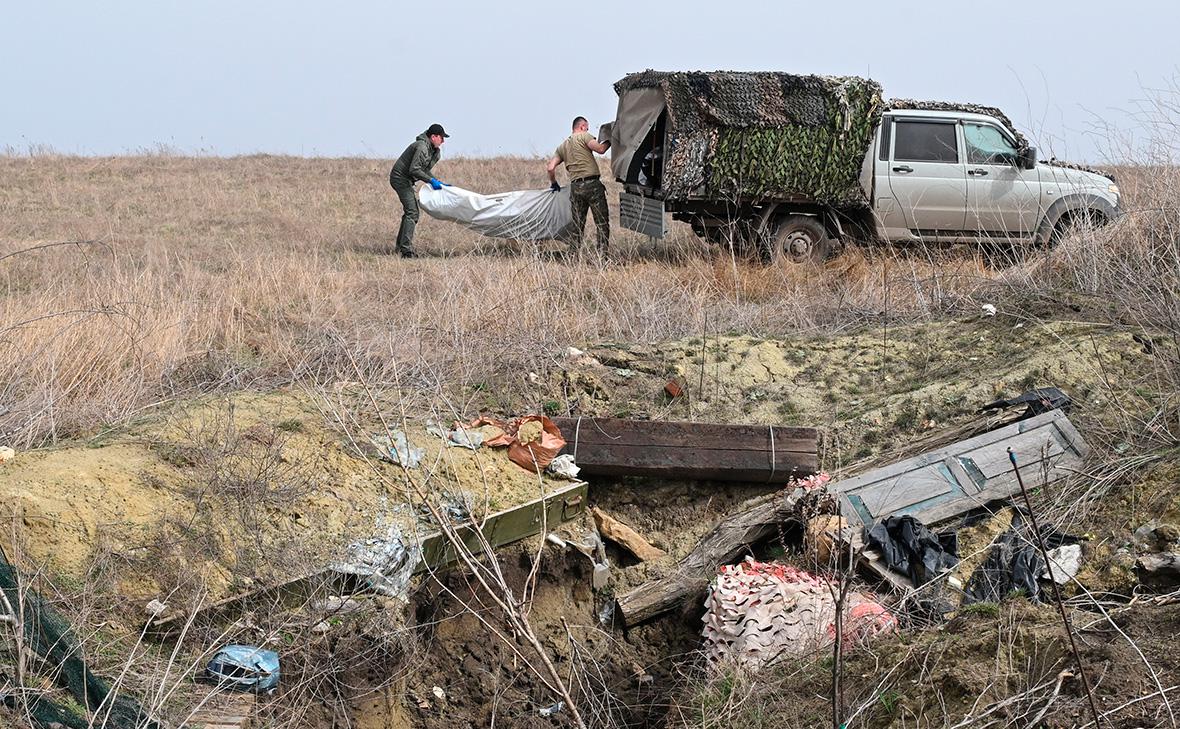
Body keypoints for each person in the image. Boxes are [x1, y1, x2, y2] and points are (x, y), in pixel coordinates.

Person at [547, 116, 611, 257]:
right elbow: (600, 149)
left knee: (577, 225)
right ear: (582, 127)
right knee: (601, 223)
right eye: (587, 128)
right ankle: (602, 256)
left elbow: (550, 168)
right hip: (592, 185)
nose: (588, 130)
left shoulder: (563, 146)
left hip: (576, 188)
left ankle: (573, 255)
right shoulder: (584, 136)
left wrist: (553, 183)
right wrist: (611, 139)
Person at [389, 123, 449, 258]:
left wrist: (438, 182)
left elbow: (425, 170)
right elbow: (414, 169)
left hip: (407, 180)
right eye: (441, 137)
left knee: (410, 212)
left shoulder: (434, 151)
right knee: (412, 212)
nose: (443, 141)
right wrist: (431, 181)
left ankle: (400, 247)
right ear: (433, 137)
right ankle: (406, 251)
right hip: (400, 179)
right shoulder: (422, 147)